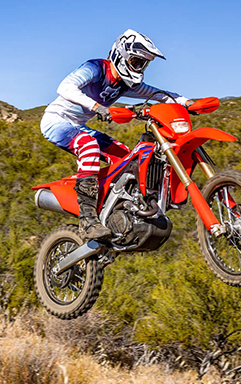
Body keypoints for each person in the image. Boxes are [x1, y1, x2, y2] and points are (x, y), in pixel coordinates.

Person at [40, 29, 191, 239]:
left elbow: (157, 94)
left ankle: (114, 210)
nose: (140, 68)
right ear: (122, 55)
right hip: (56, 121)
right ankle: (88, 219)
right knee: (89, 146)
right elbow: (65, 87)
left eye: (144, 64)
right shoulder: (96, 68)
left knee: (127, 157)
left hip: (79, 125)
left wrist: (186, 103)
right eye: (137, 62)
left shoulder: (123, 84)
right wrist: (96, 107)